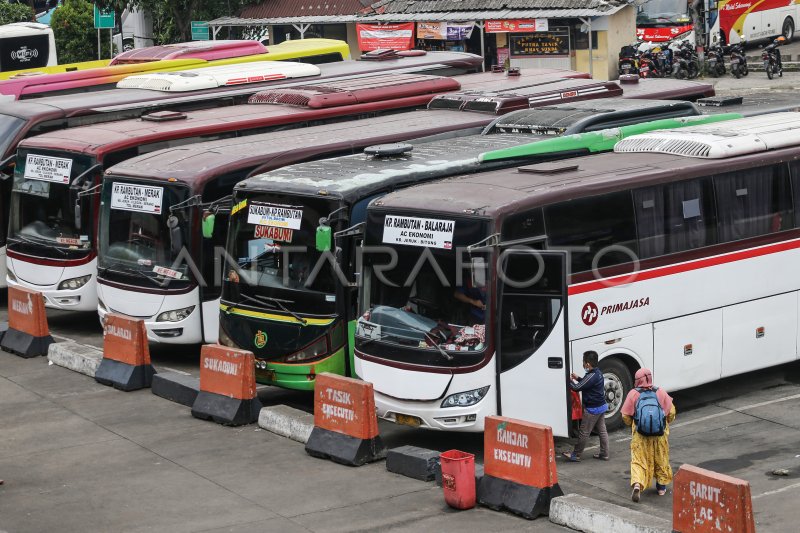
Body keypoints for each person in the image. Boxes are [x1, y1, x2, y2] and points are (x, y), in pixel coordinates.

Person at [621, 368, 676, 502]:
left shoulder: (633, 394)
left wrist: (634, 424)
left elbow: (625, 416)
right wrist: (665, 422)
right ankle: (661, 487)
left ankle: (638, 484)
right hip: (659, 435)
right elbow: (672, 412)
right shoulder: (660, 392)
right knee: (661, 458)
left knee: (638, 461)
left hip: (641, 435)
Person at [562, 351, 609, 462]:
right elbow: (586, 383)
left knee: (584, 432)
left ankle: (576, 454)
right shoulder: (598, 373)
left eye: (583, 362)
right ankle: (605, 454)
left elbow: (577, 388)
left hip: (592, 409)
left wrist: (567, 380)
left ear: (587, 364)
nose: (583, 365)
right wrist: (578, 378)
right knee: (602, 431)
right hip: (601, 406)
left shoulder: (591, 375)